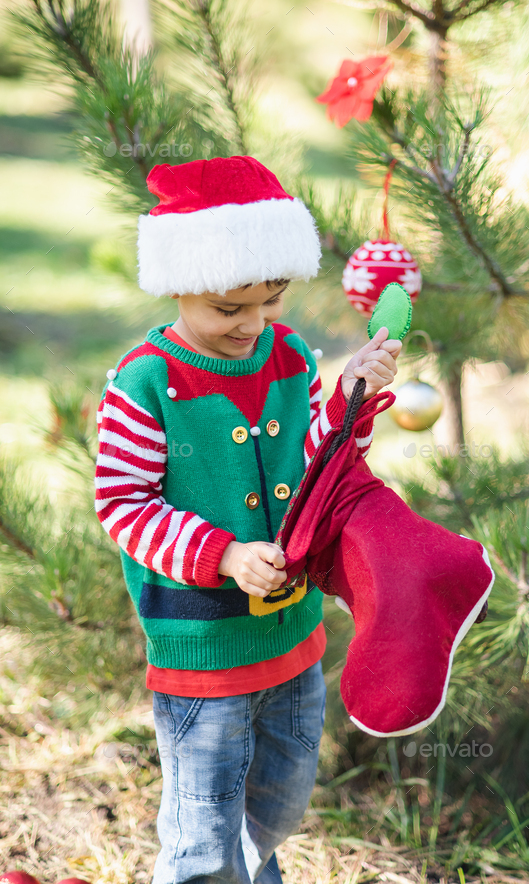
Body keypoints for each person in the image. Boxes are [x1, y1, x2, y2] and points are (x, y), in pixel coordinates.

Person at [94, 155, 402, 884]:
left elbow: (317, 460)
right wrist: (225, 555)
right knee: (203, 828)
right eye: (228, 309)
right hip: (203, 648)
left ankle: (251, 869)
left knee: (281, 805)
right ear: (178, 284)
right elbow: (123, 504)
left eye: (269, 301)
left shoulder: (289, 355)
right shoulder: (148, 383)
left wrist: (350, 397)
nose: (252, 325)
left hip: (293, 637)